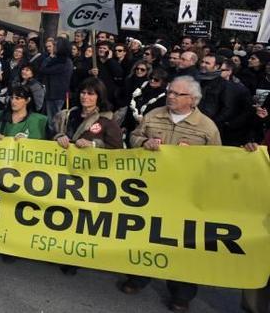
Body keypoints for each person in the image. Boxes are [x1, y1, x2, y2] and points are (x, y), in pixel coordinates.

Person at [125, 75, 255, 312]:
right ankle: (138, 278)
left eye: (177, 94)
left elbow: (217, 162)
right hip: (151, 191)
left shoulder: (206, 128)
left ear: (193, 100)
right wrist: (143, 142)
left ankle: (181, 294)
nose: (170, 96)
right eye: (170, 92)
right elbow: (133, 137)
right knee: (146, 235)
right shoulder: (154, 115)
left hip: (186, 198)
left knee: (183, 245)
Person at [52, 77, 124, 276]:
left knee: (79, 218)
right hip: (62, 172)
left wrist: (94, 145)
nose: (85, 97)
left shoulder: (106, 120)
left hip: (88, 177)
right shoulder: (68, 114)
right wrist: (58, 136)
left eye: (91, 93)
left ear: (99, 97)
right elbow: (52, 133)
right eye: (83, 92)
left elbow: (118, 149)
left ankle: (73, 257)